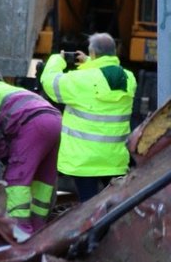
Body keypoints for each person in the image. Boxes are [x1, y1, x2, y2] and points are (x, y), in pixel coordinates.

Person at [40, 32, 137, 203]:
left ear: (93, 53)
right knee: (115, 206)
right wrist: (90, 63)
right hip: (114, 159)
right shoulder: (129, 78)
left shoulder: (80, 80)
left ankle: (95, 231)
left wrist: (57, 59)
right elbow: (104, 75)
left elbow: (49, 82)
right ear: (115, 51)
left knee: (88, 207)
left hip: (83, 161)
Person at [0, 66, 62, 234]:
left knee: (17, 179)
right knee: (43, 178)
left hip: (33, 125)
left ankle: (20, 231)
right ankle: (38, 229)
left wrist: (5, 156)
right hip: (56, 120)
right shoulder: (14, 90)